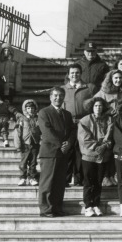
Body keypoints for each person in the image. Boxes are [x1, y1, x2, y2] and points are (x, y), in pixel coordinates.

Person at [38, 87, 77, 217]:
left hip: (63, 152)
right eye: (55, 95)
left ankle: (57, 207)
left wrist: (69, 143)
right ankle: (46, 209)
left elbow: (72, 130)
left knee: (60, 183)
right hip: (50, 152)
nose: (58, 98)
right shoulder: (44, 112)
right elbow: (47, 132)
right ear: (50, 97)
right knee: (47, 183)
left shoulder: (67, 114)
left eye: (61, 95)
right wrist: (61, 145)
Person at [78, 97, 114, 217]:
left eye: (100, 106)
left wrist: (105, 145)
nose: (98, 108)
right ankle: (88, 205)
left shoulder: (109, 120)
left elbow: (110, 135)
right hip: (88, 155)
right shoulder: (85, 120)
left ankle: (96, 204)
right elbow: (84, 138)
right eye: (96, 106)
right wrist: (97, 146)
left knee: (98, 181)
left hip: (103, 155)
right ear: (92, 107)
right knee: (89, 181)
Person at [14, 99, 40, 186]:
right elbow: (18, 132)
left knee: (33, 162)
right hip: (25, 144)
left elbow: (41, 130)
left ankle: (32, 177)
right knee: (23, 162)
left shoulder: (38, 119)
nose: (30, 110)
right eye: (28, 108)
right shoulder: (22, 119)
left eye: (32, 108)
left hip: (35, 143)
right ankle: (23, 177)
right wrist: (18, 145)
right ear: (25, 109)